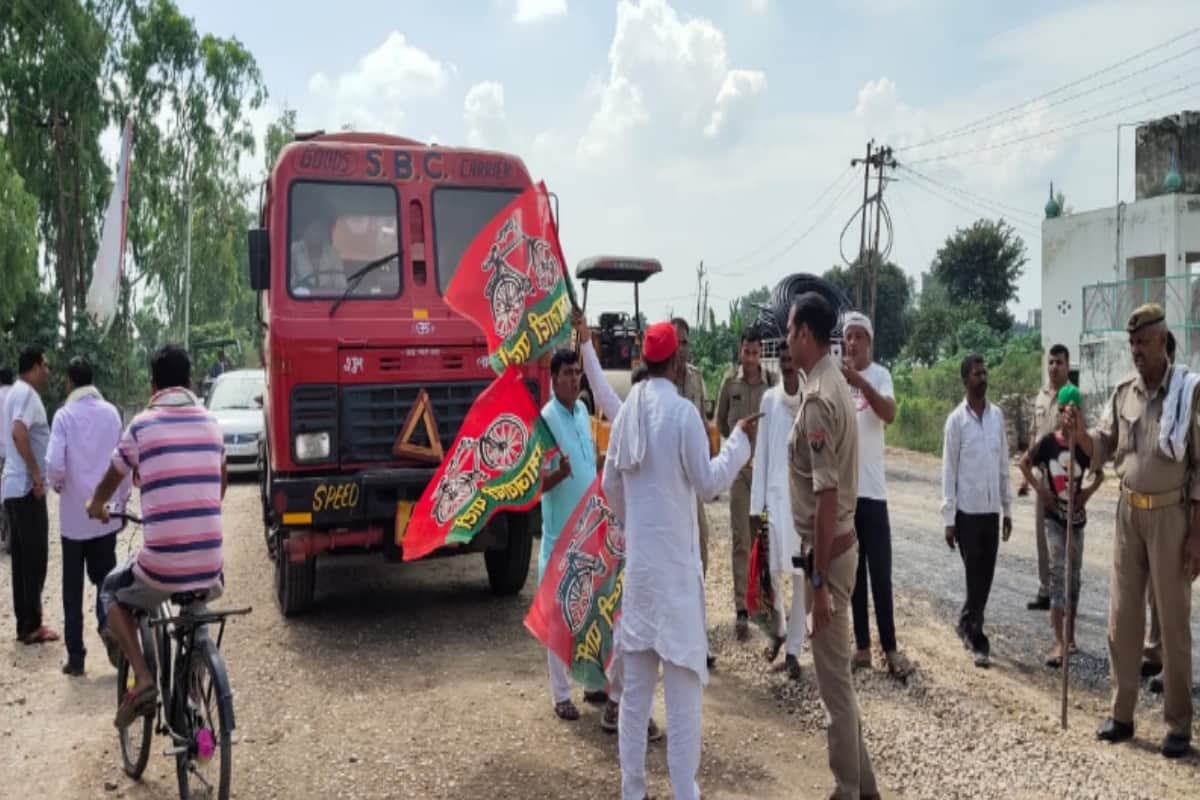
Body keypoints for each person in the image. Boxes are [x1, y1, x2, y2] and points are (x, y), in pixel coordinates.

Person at [602, 321, 755, 800]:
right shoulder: (684, 413)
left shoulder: (627, 412)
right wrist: (739, 444)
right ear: (676, 361)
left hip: (643, 574)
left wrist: (635, 526)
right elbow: (708, 484)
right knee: (684, 694)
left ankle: (633, 791)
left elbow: (610, 486)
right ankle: (684, 792)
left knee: (636, 697)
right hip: (676, 579)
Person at [1067, 304, 1199, 759]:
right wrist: (1081, 433)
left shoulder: (1186, 393)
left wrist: (1197, 534)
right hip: (1128, 513)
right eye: (1132, 344)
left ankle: (1178, 724)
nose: (1136, 351)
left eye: (1143, 342)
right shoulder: (1124, 394)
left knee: (1173, 623)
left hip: (1172, 517)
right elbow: (1102, 448)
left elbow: (1198, 469)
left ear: (1162, 340)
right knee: (1122, 620)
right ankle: (1121, 714)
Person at [87, 345, 227, 729]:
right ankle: (196, 696)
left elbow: (116, 474)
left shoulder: (142, 426)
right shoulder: (212, 423)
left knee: (112, 593)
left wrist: (97, 502)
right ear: (189, 381)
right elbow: (221, 482)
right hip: (211, 566)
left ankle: (144, 678)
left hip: (161, 566)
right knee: (192, 609)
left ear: (153, 385)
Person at [786, 292, 878, 800]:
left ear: (805, 334)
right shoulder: (828, 384)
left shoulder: (820, 396)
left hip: (829, 554)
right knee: (838, 679)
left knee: (835, 689)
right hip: (835, 548)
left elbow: (825, 496)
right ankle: (866, 789)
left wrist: (817, 583)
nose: (786, 336)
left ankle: (846, 789)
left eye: (791, 327)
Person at [573, 311, 663, 740]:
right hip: (636, 547)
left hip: (645, 547)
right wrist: (587, 343)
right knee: (635, 631)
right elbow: (602, 388)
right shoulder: (630, 415)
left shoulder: (660, 422)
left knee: (640, 632)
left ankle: (622, 705)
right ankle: (621, 707)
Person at [46, 357, 129, 676]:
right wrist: (119, 504)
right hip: (105, 515)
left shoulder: (64, 416)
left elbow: (54, 465)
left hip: (73, 519)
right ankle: (108, 626)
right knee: (105, 581)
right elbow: (122, 462)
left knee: (72, 589)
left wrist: (58, 486)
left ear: (69, 382)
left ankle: (76, 657)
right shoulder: (111, 413)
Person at [841, 311, 911, 679]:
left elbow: (888, 413)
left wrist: (861, 383)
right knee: (854, 574)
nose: (851, 343)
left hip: (874, 493)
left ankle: (891, 648)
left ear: (869, 341)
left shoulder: (880, 375)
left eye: (858, 337)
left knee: (881, 574)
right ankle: (862, 647)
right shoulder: (836, 380)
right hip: (846, 494)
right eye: (847, 337)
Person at [1018, 384, 1102, 668]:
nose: (1070, 416)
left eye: (1076, 411)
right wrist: (1041, 492)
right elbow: (1023, 463)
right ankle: (1058, 642)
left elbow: (1100, 474)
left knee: (1074, 579)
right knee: (1058, 573)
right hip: (1054, 519)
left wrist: (1087, 494)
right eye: (1067, 410)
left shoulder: (1084, 446)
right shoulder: (1049, 443)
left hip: (1076, 521)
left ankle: (1070, 636)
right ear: (1060, 411)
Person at [941, 353, 1012, 669]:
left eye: (985, 373)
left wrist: (1007, 509)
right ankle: (977, 637)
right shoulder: (956, 421)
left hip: (991, 511)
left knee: (987, 576)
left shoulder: (997, 417)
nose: (983, 378)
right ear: (965, 380)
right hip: (967, 513)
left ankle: (966, 621)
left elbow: (1003, 465)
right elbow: (949, 471)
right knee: (975, 577)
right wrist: (949, 519)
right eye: (976, 374)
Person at [748, 344, 805, 680]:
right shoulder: (769, 399)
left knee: (799, 576)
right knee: (771, 573)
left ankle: (795, 649)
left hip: (800, 510)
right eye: (782, 359)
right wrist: (757, 508)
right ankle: (779, 631)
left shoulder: (811, 399)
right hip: (772, 503)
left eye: (790, 358)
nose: (786, 363)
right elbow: (762, 456)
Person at [715, 328, 775, 640]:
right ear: (740, 352)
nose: (751, 358)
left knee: (761, 538)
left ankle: (762, 602)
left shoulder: (771, 383)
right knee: (740, 539)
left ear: (761, 353)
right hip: (740, 472)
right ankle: (741, 605)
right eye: (746, 352)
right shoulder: (730, 382)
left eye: (756, 352)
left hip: (764, 472)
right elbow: (721, 421)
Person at [2, 345, 58, 645]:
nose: (47, 371)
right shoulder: (25, 393)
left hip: (13, 486)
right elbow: (19, 432)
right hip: (25, 487)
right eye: (45, 365)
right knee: (35, 556)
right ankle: (32, 625)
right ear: (34, 367)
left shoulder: (14, 392)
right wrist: (37, 475)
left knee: (23, 559)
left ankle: (26, 624)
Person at [672, 317, 718, 669]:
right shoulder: (653, 381)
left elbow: (704, 425)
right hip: (667, 486)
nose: (681, 347)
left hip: (691, 483)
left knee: (698, 554)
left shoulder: (697, 379)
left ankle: (698, 638)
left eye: (685, 341)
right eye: (676, 341)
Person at [1026, 344, 1072, 612]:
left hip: (1063, 477)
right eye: (1051, 362)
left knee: (1064, 537)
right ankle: (1045, 588)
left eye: (1059, 363)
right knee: (1042, 535)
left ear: (1068, 366)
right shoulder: (1041, 396)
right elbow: (1034, 432)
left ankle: (1063, 592)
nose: (1054, 367)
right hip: (1042, 476)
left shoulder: (1073, 397)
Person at [290, 214, 346, 292]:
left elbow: (341, 283)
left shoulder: (332, 252)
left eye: (321, 230)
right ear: (304, 231)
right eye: (314, 229)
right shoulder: (294, 250)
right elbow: (290, 282)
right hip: (300, 300)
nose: (318, 234)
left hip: (328, 299)